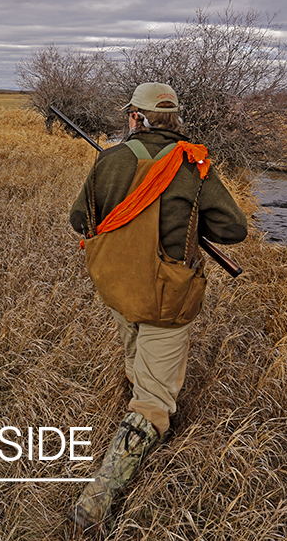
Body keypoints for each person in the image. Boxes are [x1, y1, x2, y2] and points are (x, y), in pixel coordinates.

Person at [68, 82, 248, 534]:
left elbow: (79, 221)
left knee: (136, 351)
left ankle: (138, 408)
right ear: (174, 120)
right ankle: (96, 501)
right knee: (154, 402)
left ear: (135, 117)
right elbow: (232, 229)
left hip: (116, 286)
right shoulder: (193, 164)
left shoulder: (109, 159)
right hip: (168, 296)